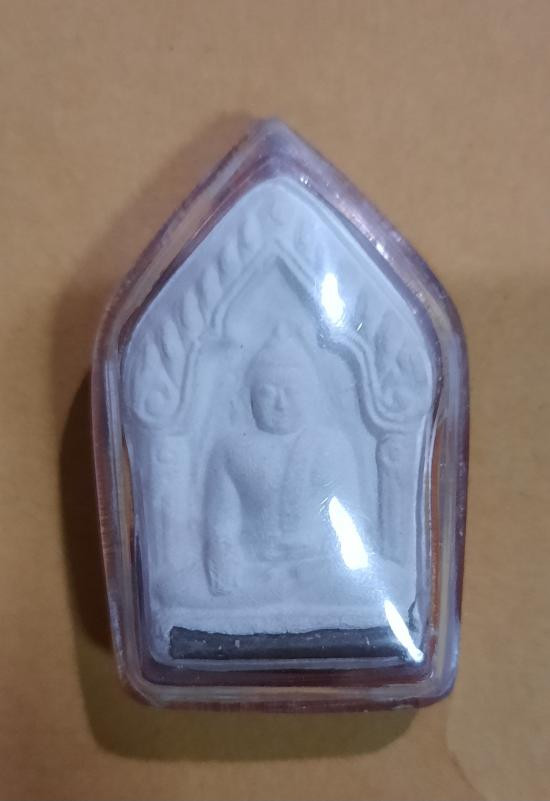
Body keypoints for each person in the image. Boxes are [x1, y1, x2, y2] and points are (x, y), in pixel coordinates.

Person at [204, 325, 361, 598]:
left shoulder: (332, 446)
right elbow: (222, 524)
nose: (280, 403)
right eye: (267, 392)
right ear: (250, 397)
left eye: (292, 391)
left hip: (318, 568)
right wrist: (225, 559)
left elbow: (352, 522)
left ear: (310, 394)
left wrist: (334, 560)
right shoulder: (232, 450)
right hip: (254, 570)